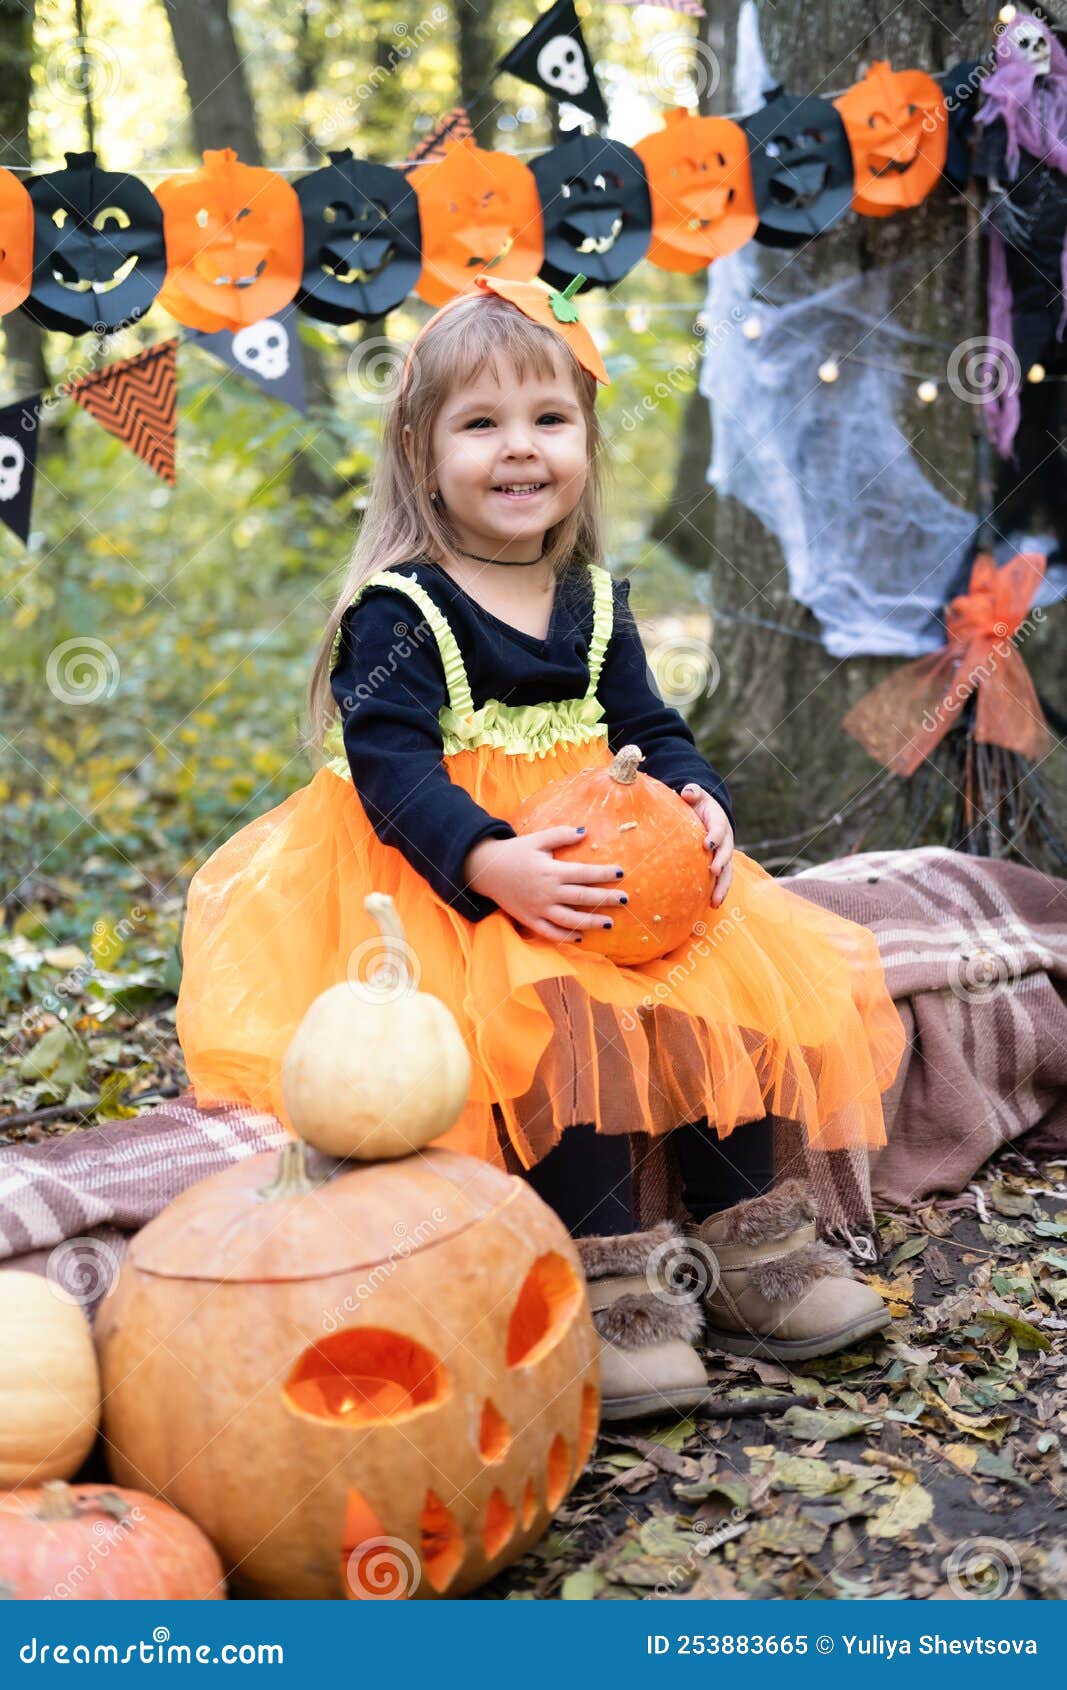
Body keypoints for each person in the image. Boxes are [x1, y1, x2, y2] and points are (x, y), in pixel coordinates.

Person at [176, 273, 906, 1419]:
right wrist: (488, 862)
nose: (518, 450)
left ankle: (759, 1251)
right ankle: (613, 1285)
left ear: (583, 442)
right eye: (480, 424)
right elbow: (391, 770)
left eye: (547, 420)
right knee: (559, 1013)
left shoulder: (593, 603)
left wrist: (699, 798)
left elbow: (655, 734)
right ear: (421, 455)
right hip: (454, 885)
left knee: (729, 990)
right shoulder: (403, 609)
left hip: (614, 872)